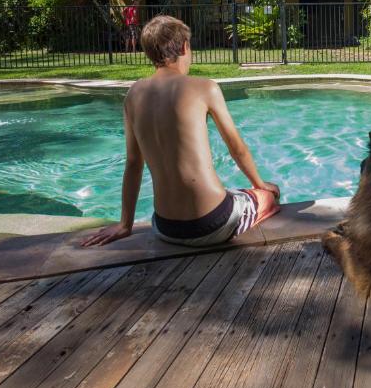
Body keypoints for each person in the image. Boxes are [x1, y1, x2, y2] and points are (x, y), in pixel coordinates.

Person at [81, 15, 280, 248]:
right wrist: (260, 183)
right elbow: (236, 148)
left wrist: (126, 224)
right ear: (185, 47)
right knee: (269, 195)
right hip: (212, 223)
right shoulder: (205, 87)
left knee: (233, 192)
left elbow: (133, 164)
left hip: (165, 227)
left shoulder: (133, 95)